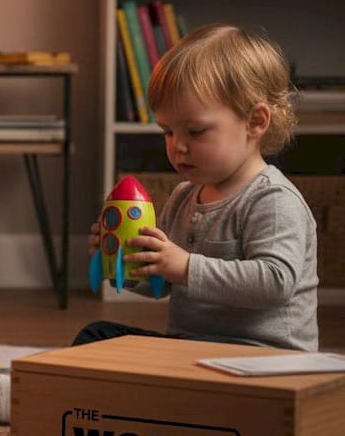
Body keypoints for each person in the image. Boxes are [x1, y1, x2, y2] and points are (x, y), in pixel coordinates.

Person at [76, 24, 318, 350]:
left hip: (262, 356)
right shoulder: (182, 197)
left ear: (255, 122)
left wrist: (186, 266)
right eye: (168, 132)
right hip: (193, 349)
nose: (177, 146)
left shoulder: (273, 199)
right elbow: (163, 282)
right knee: (96, 336)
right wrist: (126, 263)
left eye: (195, 131)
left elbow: (276, 283)